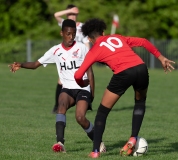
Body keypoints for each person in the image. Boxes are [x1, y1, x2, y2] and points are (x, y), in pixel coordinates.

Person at [74, 18, 175, 158]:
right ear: (103, 32)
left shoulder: (94, 50)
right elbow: (144, 42)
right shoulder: (117, 37)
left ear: (90, 39)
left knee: (102, 112)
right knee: (140, 102)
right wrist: (161, 57)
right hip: (141, 68)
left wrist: (83, 84)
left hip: (123, 73)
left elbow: (78, 74)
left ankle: (95, 151)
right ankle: (133, 137)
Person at [8, 19, 106, 153]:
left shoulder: (82, 48)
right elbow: (36, 64)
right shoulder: (55, 51)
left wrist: (92, 94)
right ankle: (60, 143)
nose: (71, 37)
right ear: (62, 33)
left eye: (73, 34)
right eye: (68, 34)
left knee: (80, 118)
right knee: (61, 106)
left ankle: (98, 142)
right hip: (67, 88)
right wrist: (21, 64)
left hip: (83, 88)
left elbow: (90, 72)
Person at [52, 4, 90, 113]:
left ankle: (87, 102)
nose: (72, 16)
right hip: (67, 58)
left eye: (74, 14)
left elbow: (86, 42)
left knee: (85, 79)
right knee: (61, 81)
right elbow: (56, 15)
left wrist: (87, 58)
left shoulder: (82, 27)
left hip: (79, 58)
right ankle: (57, 106)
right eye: (70, 14)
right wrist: (67, 10)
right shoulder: (65, 24)